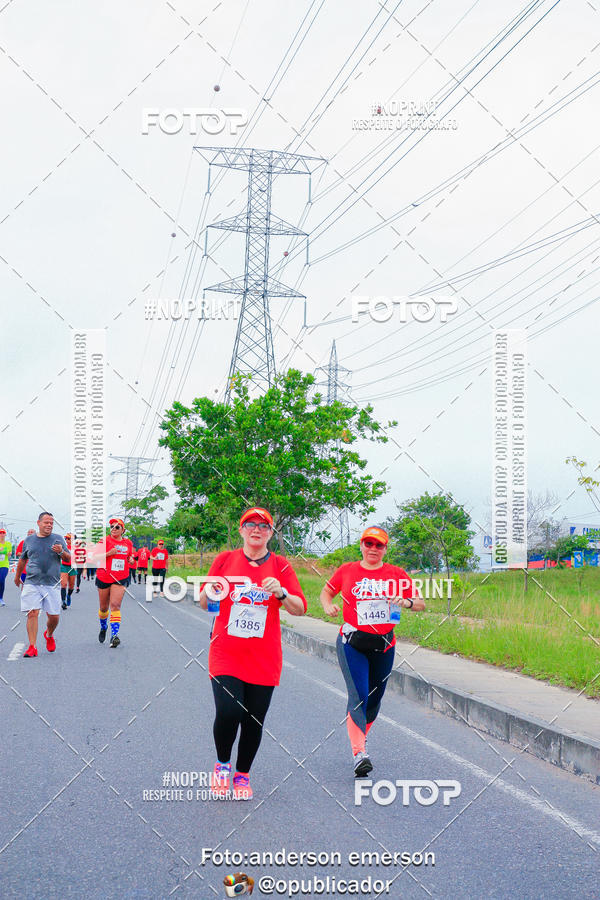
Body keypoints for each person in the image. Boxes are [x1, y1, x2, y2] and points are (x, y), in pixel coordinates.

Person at [198, 507, 306, 800]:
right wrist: (211, 590)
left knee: (254, 719)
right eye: (250, 524)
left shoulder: (281, 565)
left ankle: (242, 774)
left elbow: (300, 607)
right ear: (241, 529)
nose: (256, 529)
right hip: (226, 651)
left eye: (263, 525)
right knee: (229, 710)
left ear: (271, 532)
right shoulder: (225, 560)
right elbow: (205, 603)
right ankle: (222, 765)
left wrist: (281, 592)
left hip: (264, 655)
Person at [319, 526, 425, 778]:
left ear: (385, 549)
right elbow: (326, 591)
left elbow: (420, 603)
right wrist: (328, 606)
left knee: (374, 700)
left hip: (384, 645)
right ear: (361, 546)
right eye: (368, 544)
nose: (373, 549)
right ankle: (359, 753)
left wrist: (406, 602)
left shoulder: (396, 574)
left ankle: (361, 743)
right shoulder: (347, 570)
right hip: (352, 642)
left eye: (378, 545)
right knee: (359, 695)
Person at [14, 512, 69, 657]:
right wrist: (17, 576)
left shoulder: (58, 539)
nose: (49, 525)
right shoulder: (29, 540)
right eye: (46, 522)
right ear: (38, 523)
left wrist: (61, 551)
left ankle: (49, 635)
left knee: (54, 617)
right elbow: (23, 560)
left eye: (51, 523)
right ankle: (32, 646)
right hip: (32, 581)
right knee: (32, 613)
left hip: (52, 584)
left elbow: (69, 558)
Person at [90, 517, 134, 648]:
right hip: (104, 576)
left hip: (120, 577)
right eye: (112, 527)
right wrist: (109, 553)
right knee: (104, 608)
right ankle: (103, 627)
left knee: (115, 605)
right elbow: (94, 558)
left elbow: (129, 556)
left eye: (117, 527)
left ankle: (114, 636)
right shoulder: (104, 541)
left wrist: (131, 559)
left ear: (123, 530)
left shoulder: (128, 543)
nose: (114, 529)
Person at [60, 533, 77, 609]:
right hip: (64, 566)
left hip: (72, 568)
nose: (67, 540)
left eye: (69, 538)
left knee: (71, 586)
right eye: (66, 538)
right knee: (63, 584)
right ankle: (63, 602)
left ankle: (69, 595)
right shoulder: (63, 547)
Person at [0, 528, 12, 606]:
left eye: (3, 533)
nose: (2, 534)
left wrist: (3, 551)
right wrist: (4, 551)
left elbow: (9, 554)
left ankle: (1, 598)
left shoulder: (8, 544)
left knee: (1, 580)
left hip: (4, 565)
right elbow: (6, 552)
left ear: (5, 534)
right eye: (0, 533)